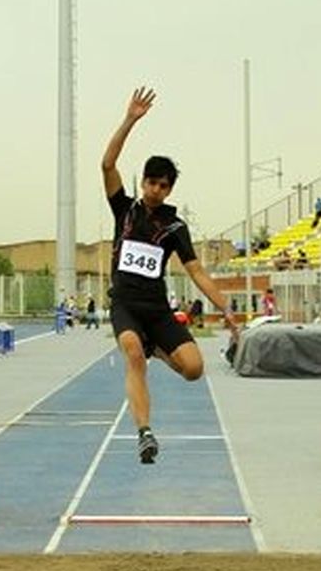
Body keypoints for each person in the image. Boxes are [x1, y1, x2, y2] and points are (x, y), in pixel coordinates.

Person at [101, 86, 239, 464]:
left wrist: (225, 307)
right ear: (143, 182)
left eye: (164, 185)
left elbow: (196, 270)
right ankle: (144, 432)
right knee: (132, 353)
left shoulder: (175, 227)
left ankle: (156, 347)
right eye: (151, 182)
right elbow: (108, 165)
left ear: (169, 188)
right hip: (126, 304)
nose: (156, 190)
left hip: (157, 308)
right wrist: (130, 119)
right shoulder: (125, 210)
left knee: (193, 369)